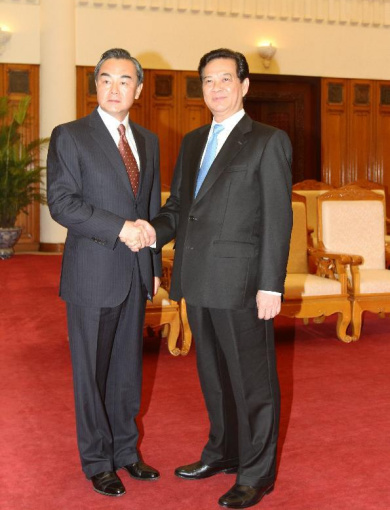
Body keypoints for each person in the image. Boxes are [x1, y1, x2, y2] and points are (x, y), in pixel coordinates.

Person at [133, 48, 293, 509]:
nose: (216, 88)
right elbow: (180, 208)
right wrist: (151, 232)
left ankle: (256, 473)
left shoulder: (267, 140)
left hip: (243, 282)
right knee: (215, 377)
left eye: (225, 79)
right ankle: (222, 451)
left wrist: (271, 285)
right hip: (197, 277)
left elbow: (277, 219)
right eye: (207, 81)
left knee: (253, 382)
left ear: (244, 85)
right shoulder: (192, 140)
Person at [47, 48, 161, 498]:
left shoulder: (148, 140)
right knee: (91, 373)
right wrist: (120, 228)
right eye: (106, 80)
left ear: (138, 88)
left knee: (127, 370)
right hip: (92, 273)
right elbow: (63, 204)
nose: (115, 89)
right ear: (95, 85)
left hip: (135, 273)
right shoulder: (71, 136)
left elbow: (148, 208)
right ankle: (97, 460)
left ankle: (127, 451)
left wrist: (151, 265)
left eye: (125, 81)